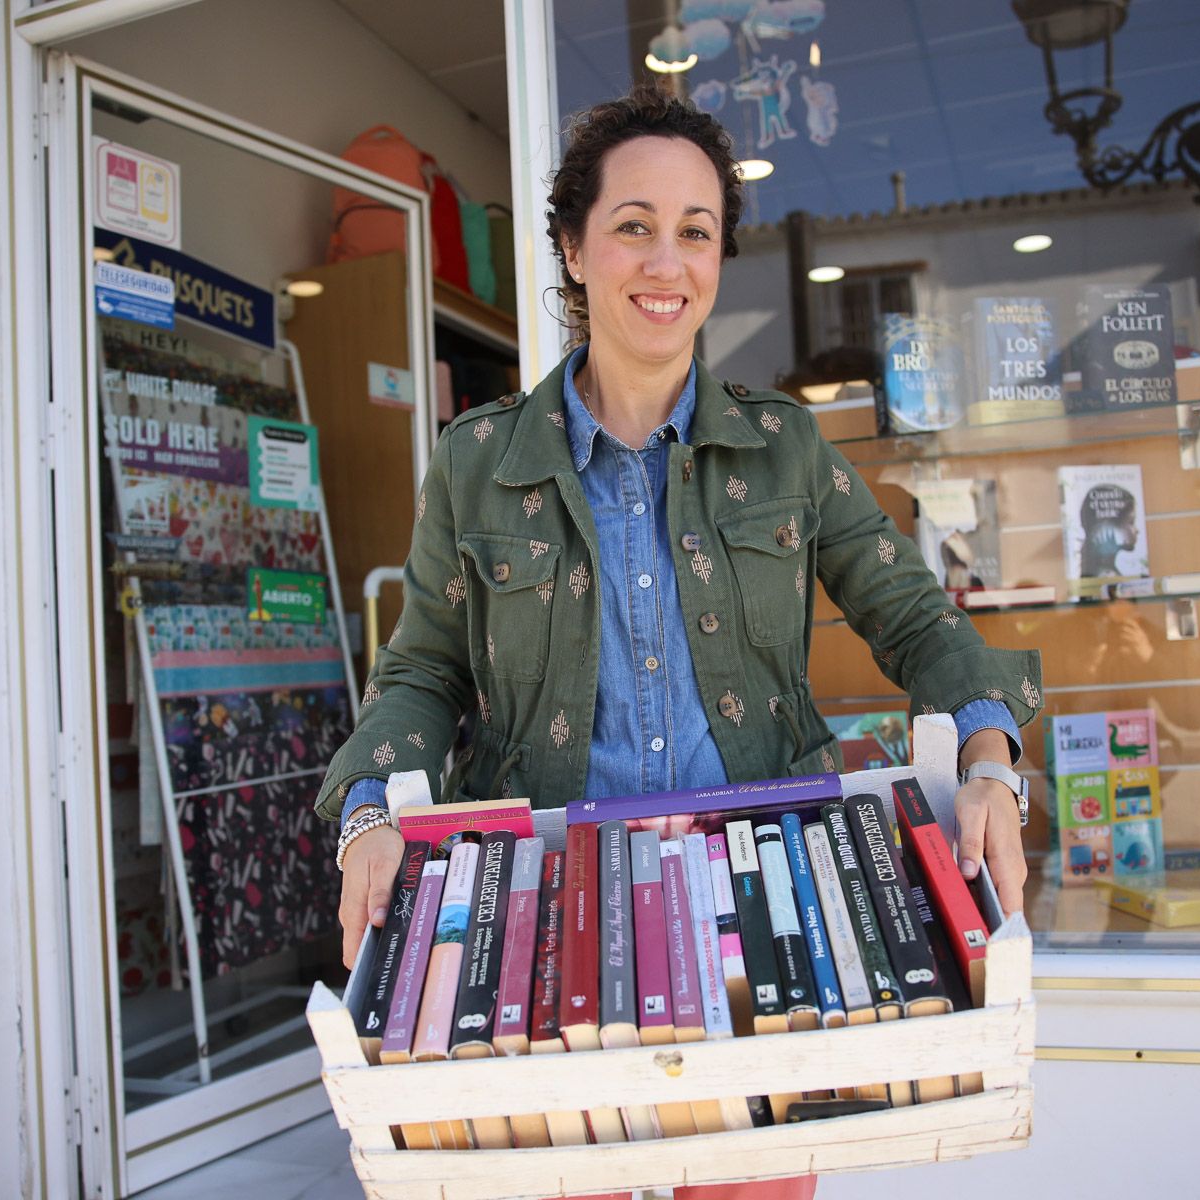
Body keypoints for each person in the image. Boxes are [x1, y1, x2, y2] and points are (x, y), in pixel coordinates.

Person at [316, 86, 1043, 1200]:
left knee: (751, 1186)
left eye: (696, 231)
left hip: (764, 899)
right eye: (634, 225)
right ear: (572, 244)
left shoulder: (784, 448)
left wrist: (989, 750)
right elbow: (422, 669)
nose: (668, 262)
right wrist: (372, 809)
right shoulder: (475, 459)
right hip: (552, 914)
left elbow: (912, 615)